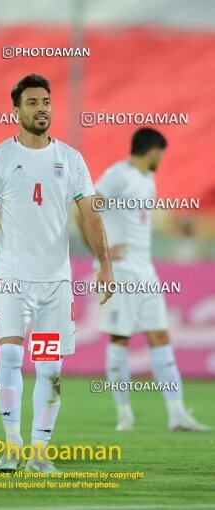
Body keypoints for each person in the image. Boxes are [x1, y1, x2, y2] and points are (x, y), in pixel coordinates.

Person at [0, 74, 114, 473]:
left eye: (46, 101)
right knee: (11, 354)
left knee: (49, 367)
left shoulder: (70, 159)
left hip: (54, 286)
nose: (41, 108)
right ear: (17, 110)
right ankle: (11, 446)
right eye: (32, 102)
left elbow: (88, 214)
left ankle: (39, 453)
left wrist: (105, 264)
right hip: (11, 280)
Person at [83, 128, 210, 432]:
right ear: (153, 151)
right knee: (120, 338)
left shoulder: (147, 180)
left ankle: (177, 413)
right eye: (161, 154)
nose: (162, 159)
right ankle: (124, 415)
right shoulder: (118, 175)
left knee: (160, 337)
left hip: (146, 272)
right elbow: (85, 209)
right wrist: (102, 253)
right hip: (122, 270)